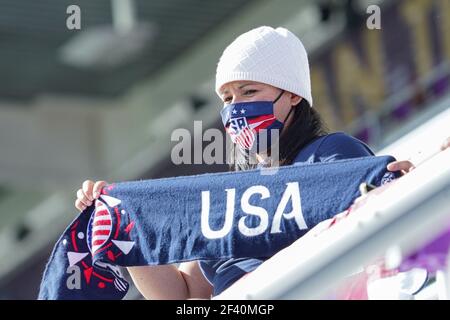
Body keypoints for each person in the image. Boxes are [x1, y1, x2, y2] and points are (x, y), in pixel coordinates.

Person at [73, 26, 413, 299]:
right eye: (228, 98)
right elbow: (185, 295)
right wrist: (123, 226)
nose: (236, 108)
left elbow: (368, 233)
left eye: (248, 92)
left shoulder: (330, 153)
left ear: (293, 94)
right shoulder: (230, 196)